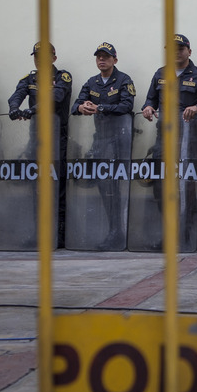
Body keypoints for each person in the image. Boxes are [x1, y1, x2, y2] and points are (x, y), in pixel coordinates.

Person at [141, 34, 197, 245]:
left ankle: (187, 234)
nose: (176, 52)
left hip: (189, 140)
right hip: (163, 138)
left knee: (187, 185)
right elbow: (150, 99)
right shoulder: (160, 74)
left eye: (180, 48)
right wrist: (147, 107)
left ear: (189, 51)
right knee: (161, 184)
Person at [71, 42, 136, 250]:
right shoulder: (92, 82)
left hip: (119, 141)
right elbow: (75, 105)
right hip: (100, 140)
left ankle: (119, 232)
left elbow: (127, 106)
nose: (102, 60)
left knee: (116, 188)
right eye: (99, 56)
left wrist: (100, 107)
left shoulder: (124, 80)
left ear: (114, 60)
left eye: (106, 57)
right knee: (103, 186)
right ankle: (112, 230)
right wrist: (82, 107)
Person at [7, 42, 73, 246]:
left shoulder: (63, 77)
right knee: (36, 186)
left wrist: (32, 109)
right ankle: (39, 233)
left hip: (57, 138)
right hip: (36, 139)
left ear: (53, 58)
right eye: (36, 56)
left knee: (58, 185)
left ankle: (59, 235)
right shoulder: (29, 79)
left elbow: (56, 96)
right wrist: (14, 108)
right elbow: (16, 95)